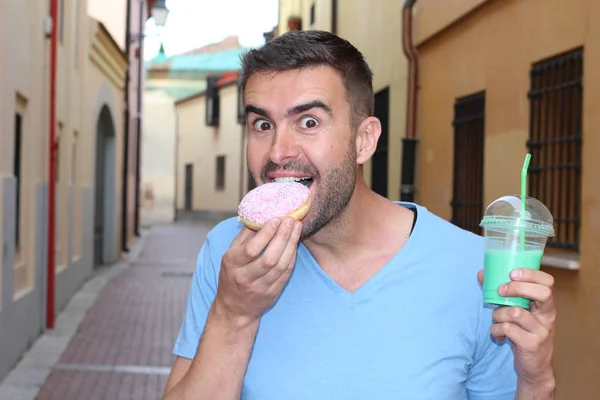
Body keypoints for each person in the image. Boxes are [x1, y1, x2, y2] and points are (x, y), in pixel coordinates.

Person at [162, 30, 557, 400]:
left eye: (309, 122)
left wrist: (538, 379)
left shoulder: (473, 271)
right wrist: (233, 313)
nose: (279, 151)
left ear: (364, 140)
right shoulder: (228, 252)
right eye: (262, 124)